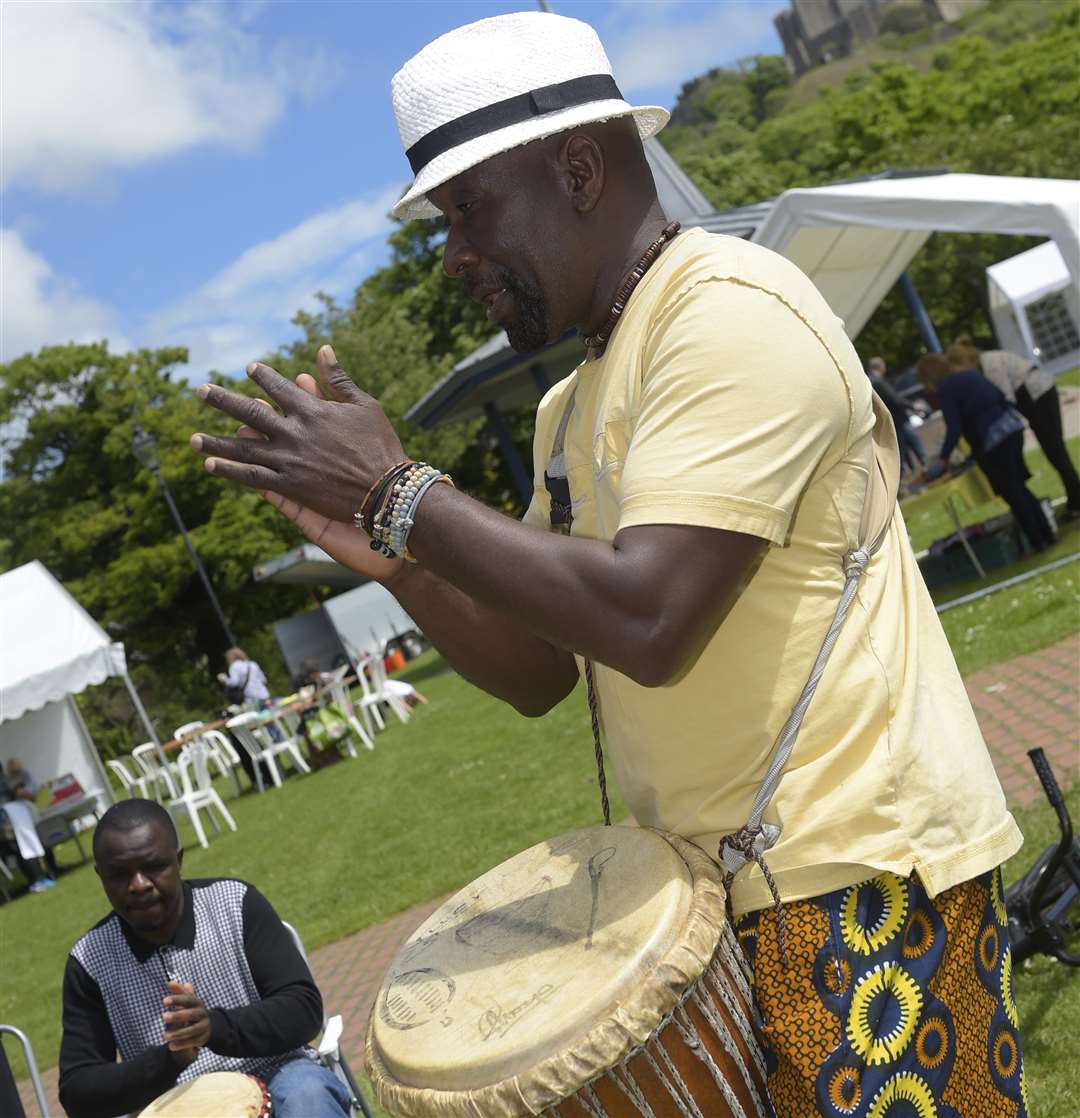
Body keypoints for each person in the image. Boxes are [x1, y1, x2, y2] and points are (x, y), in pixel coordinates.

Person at [190, 13, 1027, 1114]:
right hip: (712, 900)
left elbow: (649, 618)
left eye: (466, 209)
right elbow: (547, 665)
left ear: (577, 167)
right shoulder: (568, 404)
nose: (454, 254)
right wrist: (397, 558)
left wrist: (402, 490)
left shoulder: (727, 314)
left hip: (859, 877)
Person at [59, 799, 350, 1118]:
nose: (139, 885)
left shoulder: (236, 904)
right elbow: (78, 1092)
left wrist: (213, 1027)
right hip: (177, 1103)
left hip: (280, 1072)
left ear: (178, 860)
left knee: (308, 1096)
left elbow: (303, 1010)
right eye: (119, 875)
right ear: (101, 876)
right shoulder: (90, 961)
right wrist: (169, 1059)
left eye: (154, 866)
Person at [918, 352, 1055, 552]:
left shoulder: (946, 390)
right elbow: (1001, 397)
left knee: (1013, 492)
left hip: (993, 439)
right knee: (1019, 487)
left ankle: (1038, 540)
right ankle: (1046, 533)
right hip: (1011, 428)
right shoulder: (970, 374)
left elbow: (954, 427)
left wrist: (944, 458)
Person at [948, 335, 1080, 520]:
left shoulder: (991, 363)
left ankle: (1076, 500)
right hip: (1035, 397)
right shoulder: (985, 363)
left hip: (1038, 396)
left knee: (1055, 450)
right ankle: (1075, 497)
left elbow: (1005, 396)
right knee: (1054, 451)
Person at [866, 355, 926, 473]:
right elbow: (895, 399)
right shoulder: (878, 382)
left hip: (887, 421)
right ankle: (925, 466)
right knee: (912, 442)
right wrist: (913, 406)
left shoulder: (868, 382)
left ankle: (910, 471)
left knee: (902, 448)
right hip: (898, 419)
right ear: (881, 366)